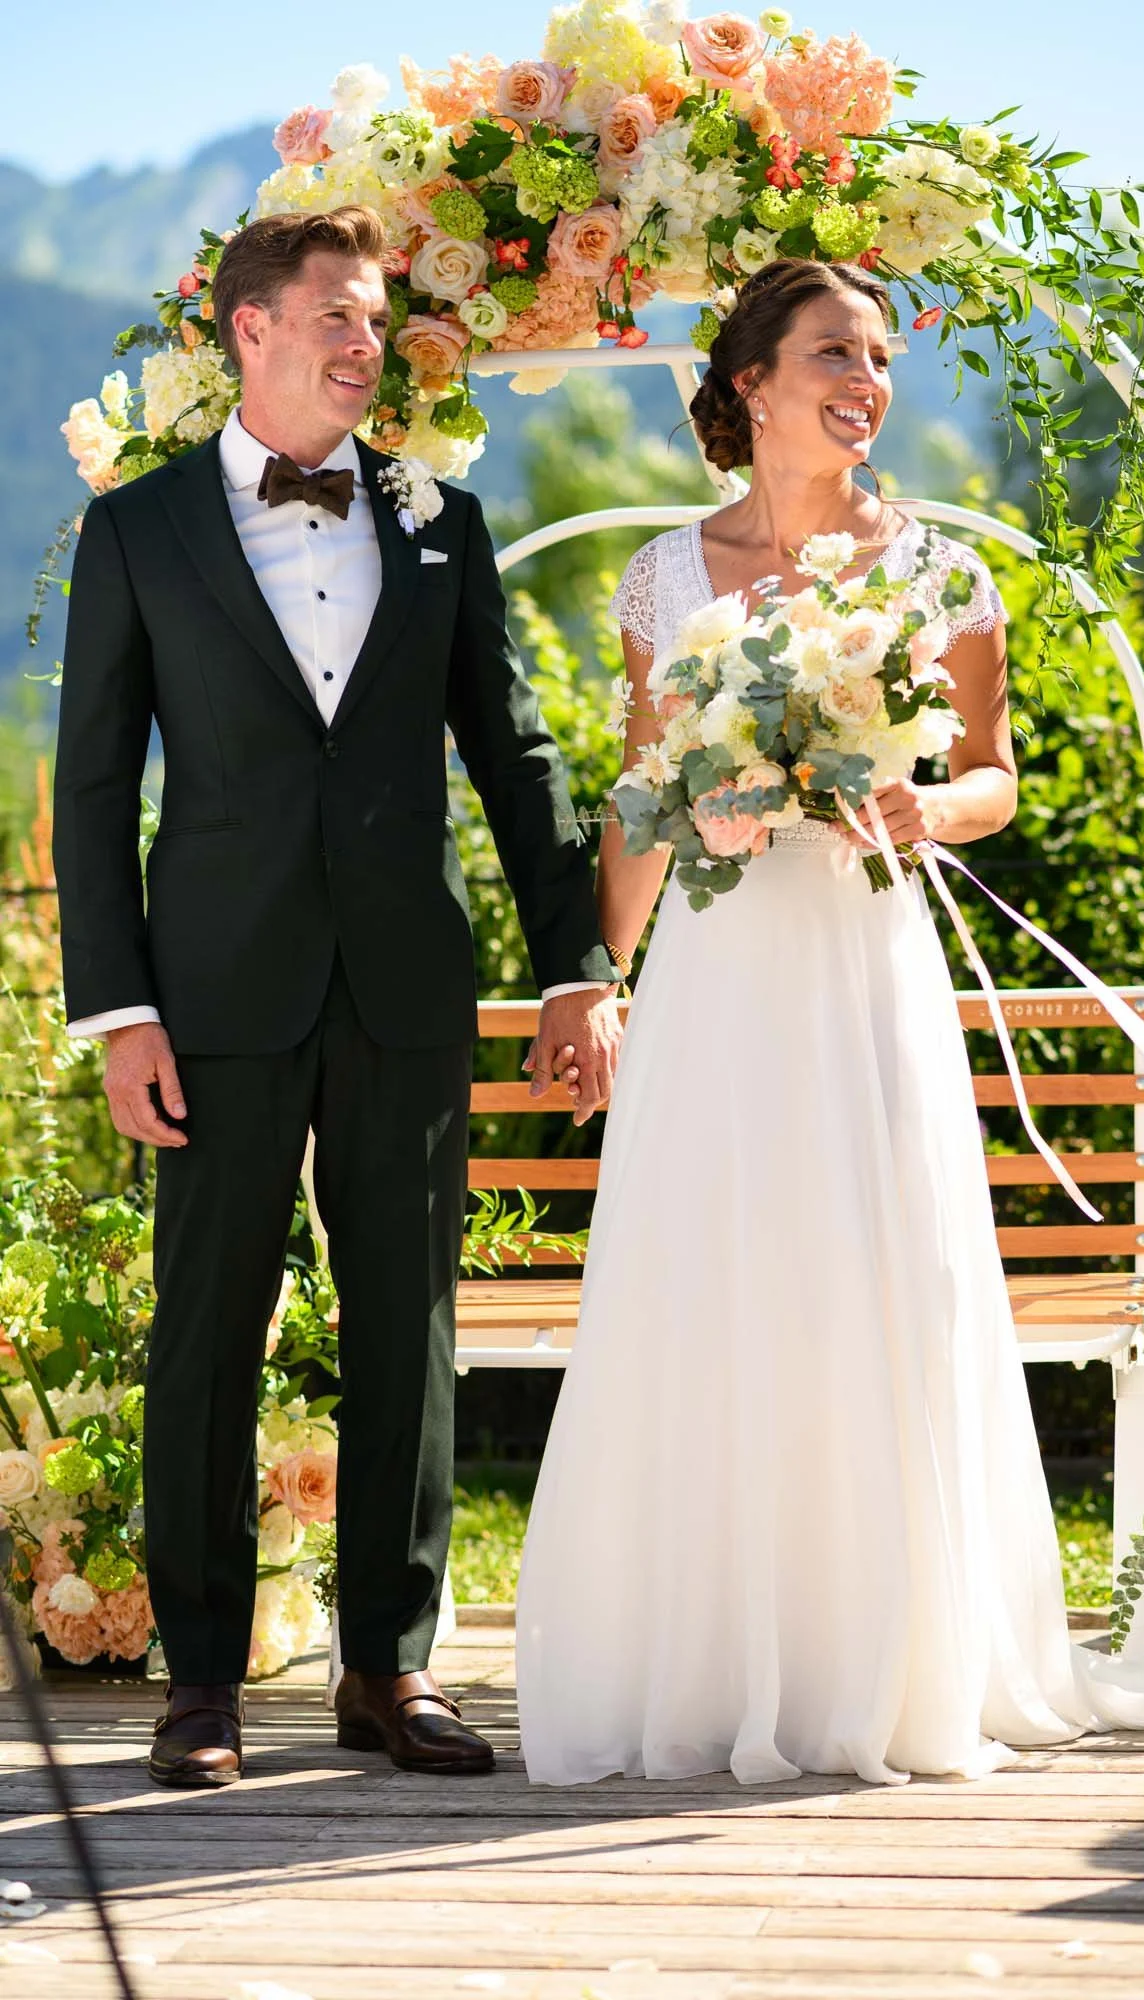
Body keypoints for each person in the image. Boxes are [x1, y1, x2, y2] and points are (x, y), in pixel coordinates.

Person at [53, 205, 622, 1787]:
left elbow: (516, 756)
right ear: (251, 330)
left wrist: (577, 964)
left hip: (404, 989)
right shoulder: (139, 529)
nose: (366, 344)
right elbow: (93, 791)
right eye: (340, 317)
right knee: (204, 1337)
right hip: (212, 997)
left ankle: (393, 1669)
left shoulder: (445, 517)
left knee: (407, 1334)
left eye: (376, 320)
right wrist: (121, 1013)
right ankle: (202, 1689)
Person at [516, 256, 1093, 1785]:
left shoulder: (940, 570)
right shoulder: (665, 579)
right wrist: (601, 977)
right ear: (752, 380)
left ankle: (883, 1666)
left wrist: (924, 804)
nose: (869, 377)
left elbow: (995, 776)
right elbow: (642, 803)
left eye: (882, 356)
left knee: (871, 1263)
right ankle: (699, 1662)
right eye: (835, 350)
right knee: (711, 1274)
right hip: (714, 986)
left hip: (861, 960)